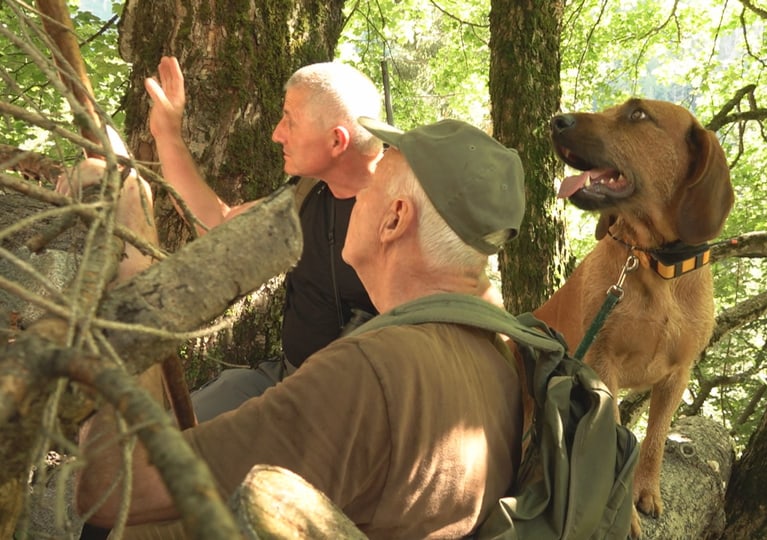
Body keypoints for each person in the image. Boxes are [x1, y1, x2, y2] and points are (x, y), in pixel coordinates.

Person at [77, 117, 528, 538]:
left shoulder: (368, 371)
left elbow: (113, 490)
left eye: (373, 186)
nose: (357, 197)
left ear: (394, 219)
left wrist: (130, 255)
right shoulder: (501, 356)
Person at [144, 56, 383, 420]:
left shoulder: (409, 210)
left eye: (290, 120)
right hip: (290, 380)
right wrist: (168, 134)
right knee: (168, 436)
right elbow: (217, 227)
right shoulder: (308, 195)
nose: (276, 133)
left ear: (337, 140)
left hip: (363, 410)